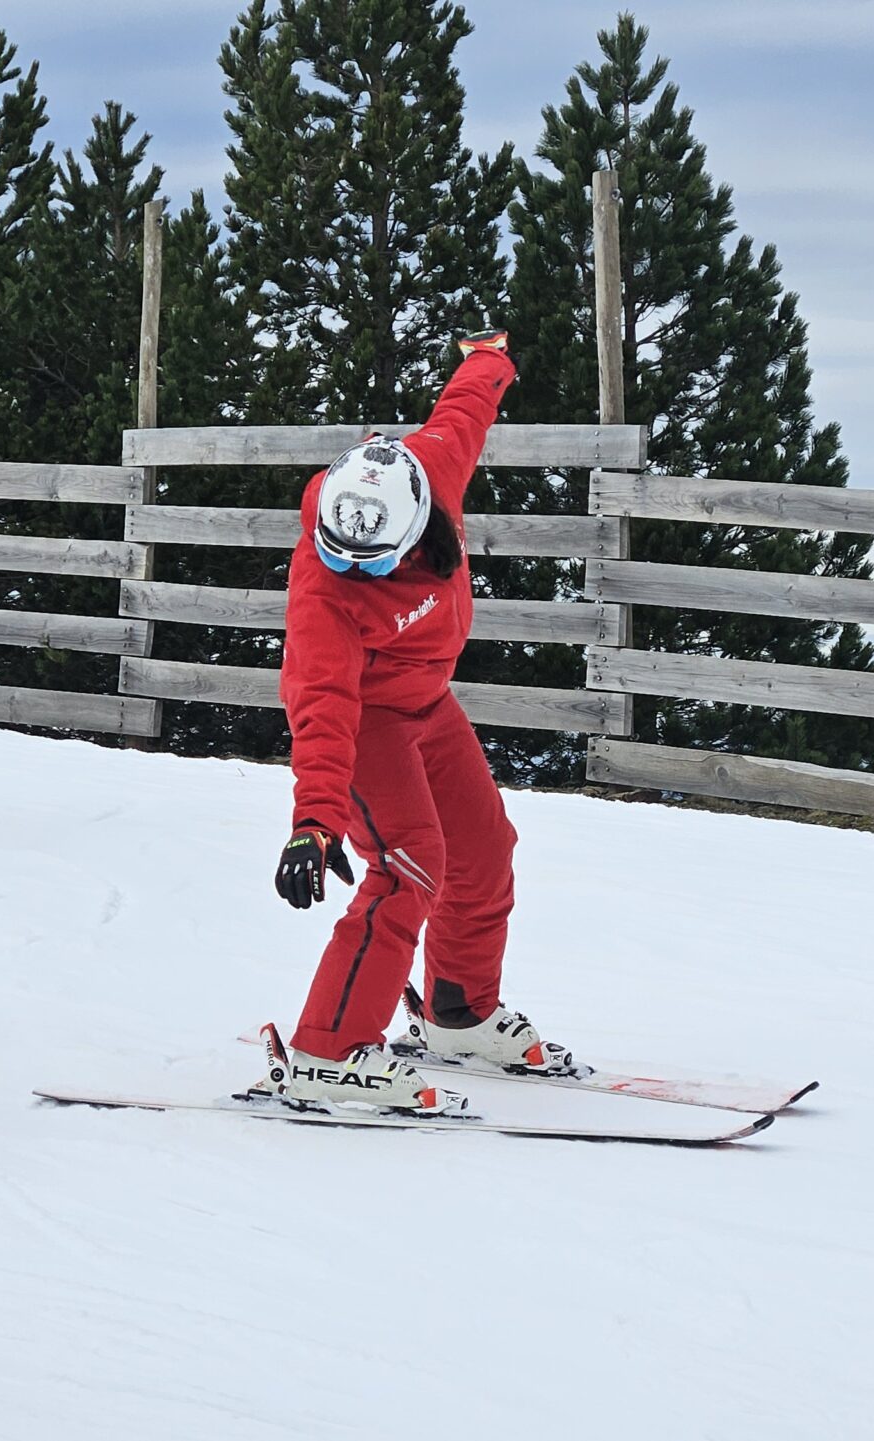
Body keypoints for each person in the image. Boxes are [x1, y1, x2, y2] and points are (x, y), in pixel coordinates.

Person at [252, 330, 578, 1116]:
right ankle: (329, 1048)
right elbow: (322, 707)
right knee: (410, 863)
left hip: (427, 702)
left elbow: (464, 408)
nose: (349, 572)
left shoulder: (433, 470)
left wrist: (492, 356)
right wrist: (315, 821)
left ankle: (458, 1013)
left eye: (369, 563)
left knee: (482, 847)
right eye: (339, 556)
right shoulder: (324, 594)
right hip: (367, 722)